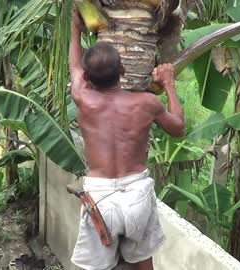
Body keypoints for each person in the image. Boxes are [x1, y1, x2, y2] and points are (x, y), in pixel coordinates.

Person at [69, 9, 185, 270]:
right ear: (122, 69)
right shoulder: (146, 103)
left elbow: (75, 67)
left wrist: (75, 29)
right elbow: (178, 128)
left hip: (99, 200)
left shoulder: (83, 99)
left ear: (87, 79)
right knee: (145, 265)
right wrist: (168, 84)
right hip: (136, 194)